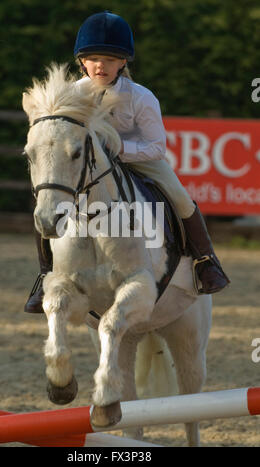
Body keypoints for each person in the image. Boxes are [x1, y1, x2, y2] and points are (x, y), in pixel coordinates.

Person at [24, 11, 229, 313]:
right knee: (48, 201)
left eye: (109, 59)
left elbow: (157, 147)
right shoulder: (72, 95)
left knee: (181, 198)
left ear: (123, 62)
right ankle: (45, 273)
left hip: (138, 161)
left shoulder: (141, 97)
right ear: (82, 62)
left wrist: (119, 149)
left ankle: (204, 262)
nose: (100, 65)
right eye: (93, 58)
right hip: (88, 167)